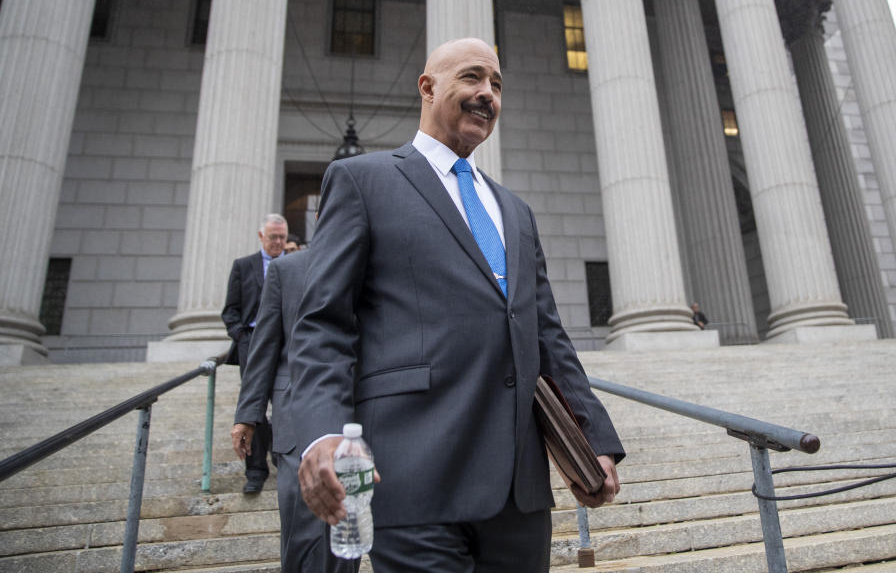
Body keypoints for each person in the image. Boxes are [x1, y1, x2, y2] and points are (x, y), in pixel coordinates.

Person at [289, 37, 625, 571]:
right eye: (472, 78)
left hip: (519, 491)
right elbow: (324, 325)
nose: (487, 93)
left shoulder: (515, 211)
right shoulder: (362, 181)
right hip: (413, 476)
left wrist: (592, 436)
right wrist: (322, 431)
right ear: (427, 87)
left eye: (496, 84)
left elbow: (546, 334)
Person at [231, 249, 357, 573]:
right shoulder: (285, 270)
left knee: (346, 532)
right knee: (300, 526)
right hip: (294, 416)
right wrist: (248, 414)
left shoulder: (368, 261)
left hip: (356, 415)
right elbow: (265, 343)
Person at [222, 213, 288, 493]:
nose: (278, 242)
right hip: (252, 341)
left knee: (286, 397)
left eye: (282, 237)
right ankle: (256, 471)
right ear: (261, 236)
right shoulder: (243, 266)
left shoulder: (293, 264)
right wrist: (240, 335)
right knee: (253, 406)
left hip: (287, 343)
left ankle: (282, 455)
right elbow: (230, 309)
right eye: (273, 237)